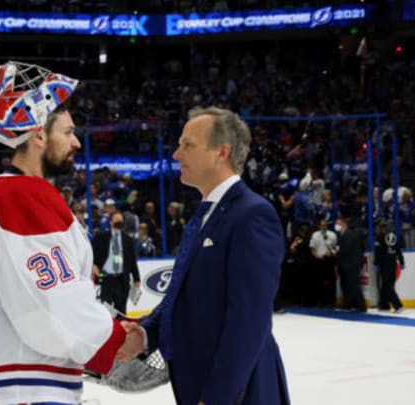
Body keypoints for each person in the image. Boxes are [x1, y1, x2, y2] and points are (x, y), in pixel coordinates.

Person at [0, 61, 141, 405]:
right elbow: (50, 305)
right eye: (67, 132)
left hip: (13, 384)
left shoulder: (15, 194)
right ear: (37, 134)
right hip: (19, 387)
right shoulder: (18, 195)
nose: (77, 143)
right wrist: (112, 339)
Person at [121, 107, 290, 405]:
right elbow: (181, 297)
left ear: (221, 152)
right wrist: (145, 335)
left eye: (188, 145)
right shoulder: (206, 215)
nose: (176, 154)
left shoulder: (252, 215)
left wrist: (217, 397)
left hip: (240, 392)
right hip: (200, 384)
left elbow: (248, 319)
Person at [92, 211, 141, 314]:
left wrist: (137, 279)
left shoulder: (128, 239)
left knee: (121, 312)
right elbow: (93, 257)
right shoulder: (101, 237)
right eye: (117, 220)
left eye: (121, 220)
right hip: (106, 279)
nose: (120, 222)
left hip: (122, 280)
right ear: (111, 222)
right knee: (106, 312)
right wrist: (94, 267)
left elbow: (132, 261)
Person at [335, 216, 367, 312]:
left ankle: (361, 306)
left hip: (352, 263)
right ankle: (349, 304)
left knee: (354, 284)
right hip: (347, 263)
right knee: (347, 284)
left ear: (344, 224)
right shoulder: (343, 234)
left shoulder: (349, 234)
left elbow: (346, 249)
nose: (336, 226)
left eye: (338, 223)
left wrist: (337, 252)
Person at [374, 221, 405, 312]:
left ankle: (398, 305)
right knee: (386, 285)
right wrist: (402, 261)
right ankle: (384, 304)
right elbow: (398, 250)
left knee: (387, 286)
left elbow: (378, 253)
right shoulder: (394, 237)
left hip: (384, 265)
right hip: (393, 264)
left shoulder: (379, 238)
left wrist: (376, 263)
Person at [309, 218, 338, 307]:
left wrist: (331, 253)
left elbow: (336, 247)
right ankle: (320, 301)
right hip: (318, 260)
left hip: (329, 260)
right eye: (322, 225)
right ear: (319, 226)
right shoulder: (315, 235)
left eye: (325, 225)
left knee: (330, 282)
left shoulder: (332, 235)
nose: (323, 227)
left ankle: (330, 302)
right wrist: (317, 256)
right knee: (319, 282)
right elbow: (312, 248)